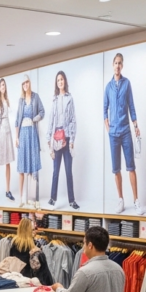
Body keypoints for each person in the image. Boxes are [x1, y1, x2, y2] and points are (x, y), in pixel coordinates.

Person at [105, 53, 142, 215]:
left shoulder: (127, 84)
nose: (118, 66)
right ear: (112, 65)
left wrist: (135, 125)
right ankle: (120, 200)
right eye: (115, 63)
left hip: (126, 131)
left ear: (122, 66)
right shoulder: (108, 87)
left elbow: (131, 106)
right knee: (116, 169)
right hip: (113, 134)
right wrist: (108, 127)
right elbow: (104, 109)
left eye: (120, 63)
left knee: (131, 167)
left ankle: (136, 201)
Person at [45, 71, 80, 210]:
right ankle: (52, 199)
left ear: (65, 81)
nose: (60, 82)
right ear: (57, 83)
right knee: (55, 172)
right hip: (56, 139)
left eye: (62, 79)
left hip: (67, 138)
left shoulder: (69, 98)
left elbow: (73, 120)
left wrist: (71, 139)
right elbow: (51, 120)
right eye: (58, 80)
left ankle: (72, 200)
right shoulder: (54, 99)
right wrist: (49, 140)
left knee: (68, 171)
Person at [15, 74, 45, 209]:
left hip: (32, 133)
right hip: (22, 134)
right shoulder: (20, 100)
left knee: (33, 165)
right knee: (21, 167)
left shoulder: (35, 97)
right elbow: (17, 120)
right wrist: (16, 137)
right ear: (22, 86)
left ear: (29, 83)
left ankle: (33, 199)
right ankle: (21, 198)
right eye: (23, 83)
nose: (25, 85)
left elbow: (42, 112)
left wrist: (34, 119)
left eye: (27, 82)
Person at [9, 218, 53, 285]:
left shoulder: (14, 245)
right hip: (32, 283)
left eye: (35, 229)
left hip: (17, 281)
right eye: (32, 230)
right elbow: (43, 272)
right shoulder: (34, 249)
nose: (35, 232)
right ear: (27, 231)